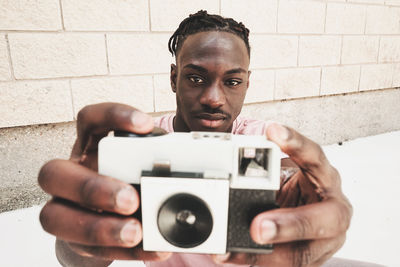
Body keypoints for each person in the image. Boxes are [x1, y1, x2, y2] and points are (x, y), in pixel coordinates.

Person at [38, 11, 354, 267]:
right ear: (174, 78)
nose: (214, 98)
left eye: (232, 81)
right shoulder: (141, 145)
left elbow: (294, 185)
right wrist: (83, 217)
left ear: (246, 84)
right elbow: (74, 262)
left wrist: (312, 213)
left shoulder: (264, 144)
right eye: (196, 78)